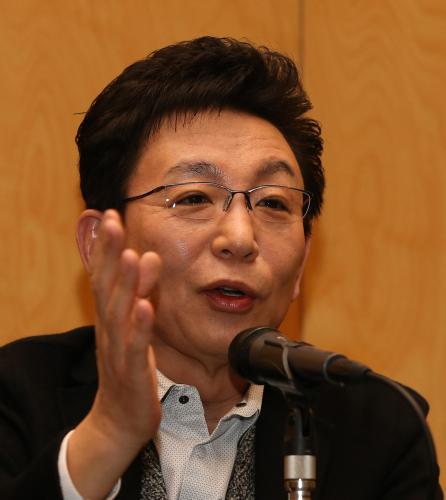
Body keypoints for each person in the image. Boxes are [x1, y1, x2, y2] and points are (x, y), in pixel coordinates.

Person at [0, 36, 442, 500]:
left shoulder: (379, 435)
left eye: (273, 203)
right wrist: (109, 435)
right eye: (193, 197)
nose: (240, 238)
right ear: (100, 244)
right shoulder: (16, 397)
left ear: (303, 262)